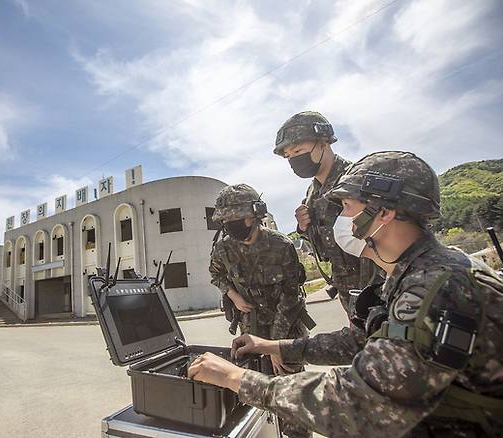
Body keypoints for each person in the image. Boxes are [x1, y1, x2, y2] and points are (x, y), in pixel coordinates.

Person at [190, 152, 503, 437]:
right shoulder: (412, 273)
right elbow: (359, 341)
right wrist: (275, 346)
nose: (340, 218)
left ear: (384, 213)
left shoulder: (436, 289)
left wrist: (236, 379)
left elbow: (356, 405)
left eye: (347, 207)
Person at [209, 183, 314, 438]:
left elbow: (291, 298)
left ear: (254, 215)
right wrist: (232, 295)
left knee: (290, 393)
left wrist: (275, 345)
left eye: (235, 219)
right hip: (251, 328)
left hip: (285, 329)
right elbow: (215, 274)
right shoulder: (224, 248)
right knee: (256, 392)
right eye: (225, 221)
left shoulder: (281, 245)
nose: (230, 225)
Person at [273, 111, 381, 314]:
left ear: (323, 142)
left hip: (377, 288)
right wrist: (304, 228)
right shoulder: (313, 193)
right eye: (289, 156)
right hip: (347, 289)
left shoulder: (357, 179)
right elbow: (327, 243)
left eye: (298, 150)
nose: (294, 160)